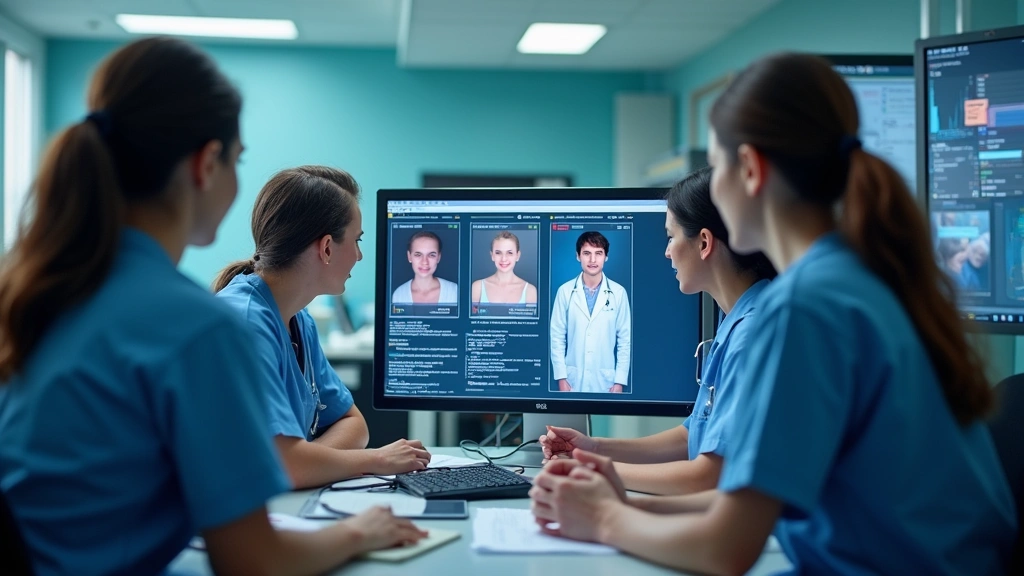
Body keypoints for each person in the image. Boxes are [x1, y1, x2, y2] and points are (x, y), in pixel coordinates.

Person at [529, 53, 1015, 576]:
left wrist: (604, 520)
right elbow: (747, 503)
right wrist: (624, 504)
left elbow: (726, 548)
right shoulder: (860, 279)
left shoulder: (802, 309)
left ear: (752, 171)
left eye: (718, 171)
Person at [0, 38, 424, 576]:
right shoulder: (196, 326)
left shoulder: (47, 288)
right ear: (206, 164)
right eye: (238, 160)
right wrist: (360, 532)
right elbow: (253, 561)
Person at [540, 168, 775, 495]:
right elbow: (690, 436)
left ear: (704, 242)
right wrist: (592, 447)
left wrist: (593, 469)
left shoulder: (752, 333)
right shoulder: (734, 320)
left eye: (670, 236)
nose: (666, 251)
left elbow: (709, 476)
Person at [214, 166, 431, 489]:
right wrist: (377, 460)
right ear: (327, 248)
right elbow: (287, 467)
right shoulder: (244, 323)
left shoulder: (299, 321)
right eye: (356, 241)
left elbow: (353, 424)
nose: (359, 256)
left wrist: (307, 461)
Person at [549, 231, 632, 393]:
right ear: (578, 256)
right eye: (587, 253)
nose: (593, 260)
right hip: (572, 380)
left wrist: (619, 381)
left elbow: (624, 340)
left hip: (606, 381)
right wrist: (561, 377)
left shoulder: (619, 292)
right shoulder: (565, 291)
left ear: (606, 257)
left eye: (598, 253)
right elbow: (557, 337)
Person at [471, 230, 538, 305]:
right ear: (492, 255)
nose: (504, 259)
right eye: (498, 253)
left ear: (517, 255)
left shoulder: (530, 291)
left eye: (509, 253)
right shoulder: (477, 287)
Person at [391, 231, 458, 304]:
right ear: (409, 256)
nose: (424, 262)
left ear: (438, 257)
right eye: (418, 255)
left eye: (431, 255)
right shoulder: (399, 294)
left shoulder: (454, 291)